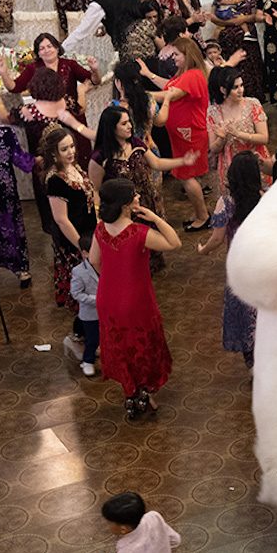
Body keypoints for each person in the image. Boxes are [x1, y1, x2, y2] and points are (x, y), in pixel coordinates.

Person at [91, 178, 180, 418]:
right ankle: (144, 391)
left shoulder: (100, 229)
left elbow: (94, 260)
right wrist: (156, 218)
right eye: (134, 195)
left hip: (107, 298)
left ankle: (131, 392)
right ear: (125, 205)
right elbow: (174, 242)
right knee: (143, 345)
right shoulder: (139, 233)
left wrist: (113, 278)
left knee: (121, 346)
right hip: (136, 300)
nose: (138, 197)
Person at [88, 105, 196, 270]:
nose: (130, 126)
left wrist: (182, 161)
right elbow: (96, 189)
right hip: (123, 208)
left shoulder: (135, 143)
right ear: (111, 127)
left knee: (152, 239)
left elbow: (157, 163)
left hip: (146, 201)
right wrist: (99, 218)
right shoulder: (100, 158)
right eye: (124, 124)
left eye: (129, 122)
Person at [2, 68, 95, 240]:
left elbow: (5, 119)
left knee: (50, 205)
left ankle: (56, 233)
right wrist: (82, 91)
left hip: (42, 166)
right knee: (72, 198)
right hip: (67, 163)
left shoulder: (27, 111)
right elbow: (81, 113)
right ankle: (75, 232)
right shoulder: (65, 103)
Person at [197, 152, 263, 370]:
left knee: (245, 314)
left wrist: (203, 250)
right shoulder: (266, 199)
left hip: (240, 268)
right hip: (264, 264)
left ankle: (252, 362)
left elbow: (216, 238)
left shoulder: (225, 203)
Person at [142, 37, 211, 231]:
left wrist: (141, 95)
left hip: (189, 132)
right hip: (183, 132)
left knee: (186, 176)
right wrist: (149, 75)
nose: (174, 58)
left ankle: (203, 216)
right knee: (187, 175)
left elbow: (170, 94)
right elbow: (169, 86)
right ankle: (200, 212)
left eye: (177, 55)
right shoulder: (186, 73)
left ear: (187, 55)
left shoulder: (193, 75)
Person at [41, 127, 98, 316]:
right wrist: (81, 246)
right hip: (74, 238)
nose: (71, 152)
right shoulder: (55, 180)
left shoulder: (74, 167)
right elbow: (61, 219)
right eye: (64, 149)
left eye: (72, 146)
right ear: (53, 153)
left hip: (89, 230)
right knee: (84, 286)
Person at [0, 100, 34, 289]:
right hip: (5, 191)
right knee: (12, 225)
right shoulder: (5, 134)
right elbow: (22, 161)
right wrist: (35, 161)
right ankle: (22, 271)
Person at [207, 67, 271, 193]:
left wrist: (239, 134)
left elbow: (264, 138)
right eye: (235, 87)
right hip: (230, 167)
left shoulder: (252, 104)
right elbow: (213, 149)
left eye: (241, 85)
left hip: (254, 162)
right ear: (223, 90)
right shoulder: (213, 112)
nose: (240, 90)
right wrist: (221, 138)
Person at [0, 32, 100, 103]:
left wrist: (94, 70)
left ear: (57, 48)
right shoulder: (33, 68)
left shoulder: (70, 65)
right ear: (38, 53)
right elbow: (14, 88)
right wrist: (3, 73)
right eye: (42, 48)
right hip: (46, 117)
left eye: (49, 46)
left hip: (72, 114)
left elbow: (94, 81)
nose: (46, 50)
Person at [213, 0, 265, 101]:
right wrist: (232, 22)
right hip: (229, 39)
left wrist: (243, 19)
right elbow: (213, 16)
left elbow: (256, 16)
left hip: (248, 36)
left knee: (251, 68)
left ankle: (253, 99)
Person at [62, 0, 141, 55]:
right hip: (139, 31)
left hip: (124, 42)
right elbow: (117, 11)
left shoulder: (96, 6)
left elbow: (81, 32)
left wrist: (61, 49)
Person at [102, 491, 181, 553]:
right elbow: (176, 540)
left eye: (109, 522)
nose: (107, 525)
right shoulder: (154, 516)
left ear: (123, 529)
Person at [69, 232, 100, 377]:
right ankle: (88, 361)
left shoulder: (107, 264)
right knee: (92, 339)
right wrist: (96, 299)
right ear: (85, 253)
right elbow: (76, 293)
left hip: (108, 311)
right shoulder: (79, 272)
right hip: (91, 314)